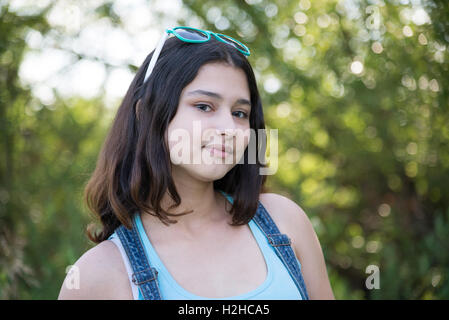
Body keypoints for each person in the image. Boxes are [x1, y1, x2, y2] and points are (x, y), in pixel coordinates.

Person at [58, 26, 334, 300]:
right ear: (146, 114)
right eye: (204, 106)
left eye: (240, 113)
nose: (230, 127)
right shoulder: (97, 274)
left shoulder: (284, 221)